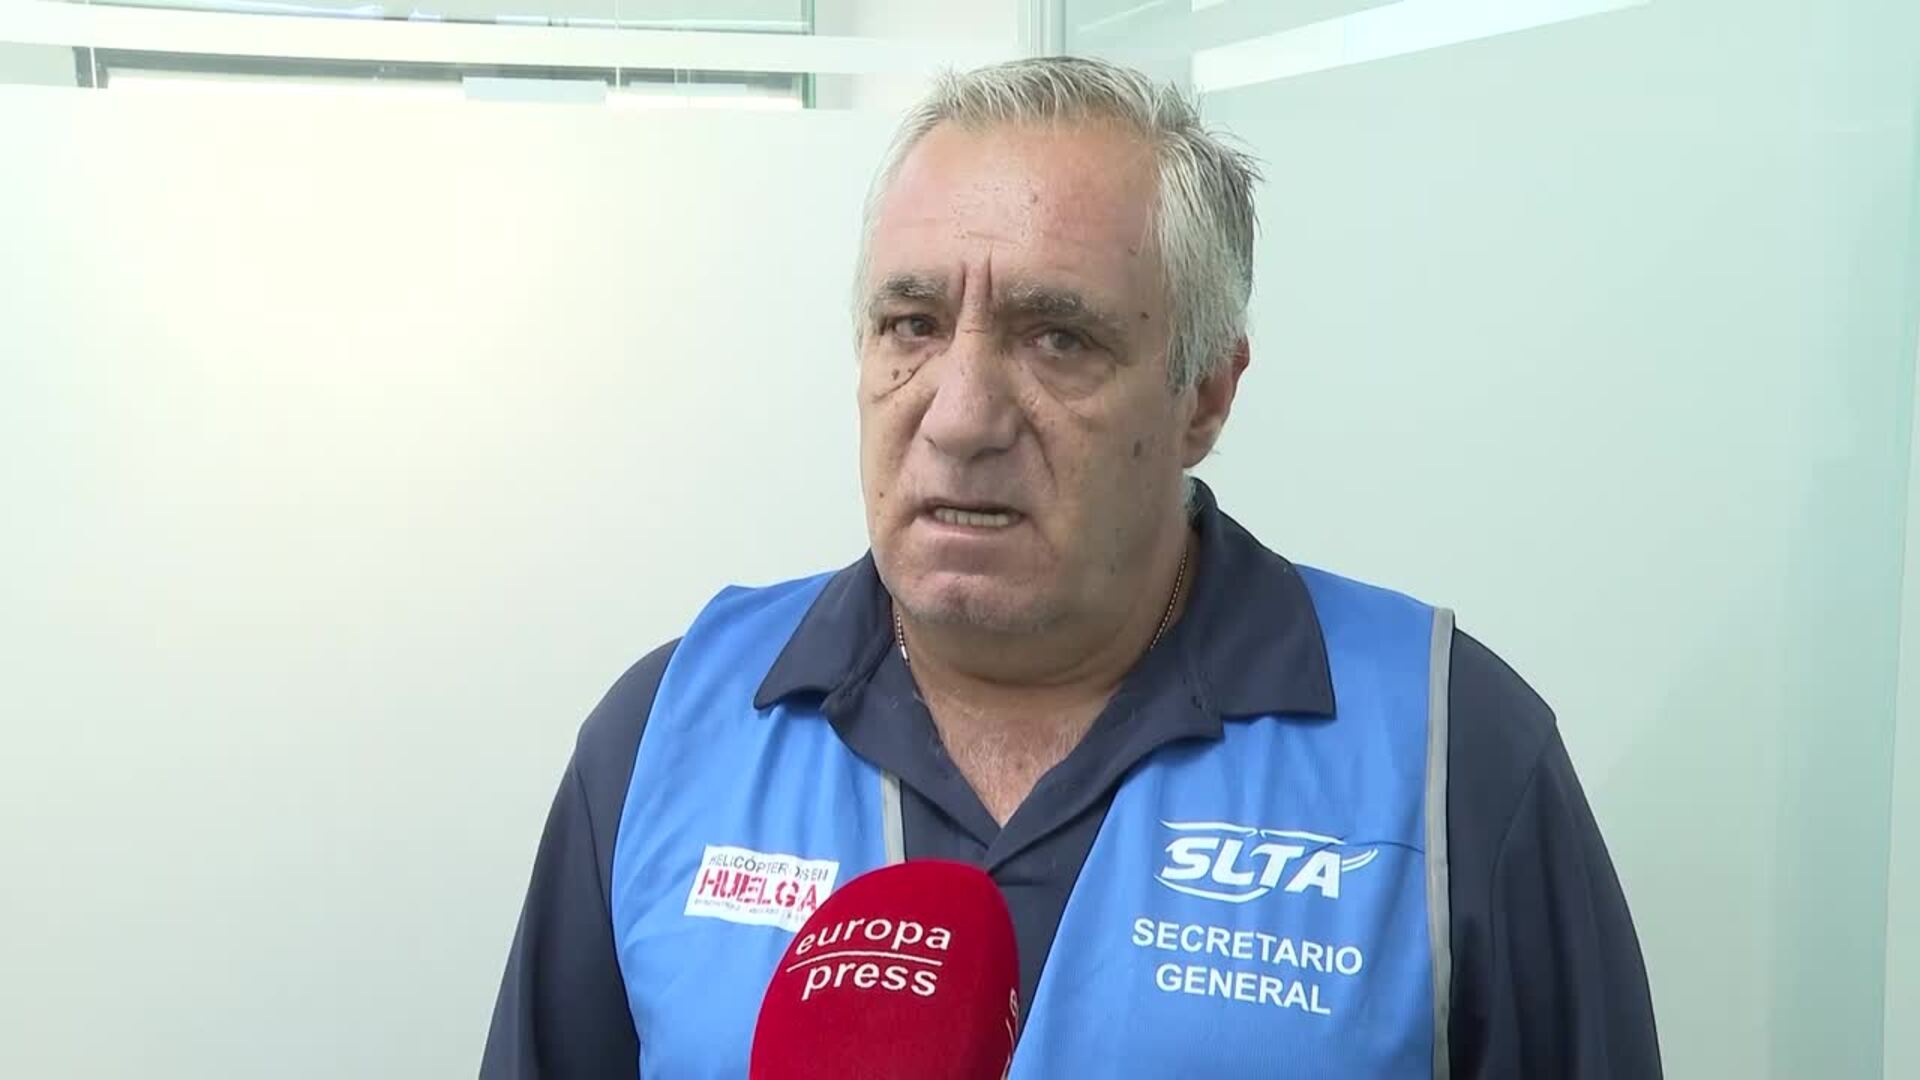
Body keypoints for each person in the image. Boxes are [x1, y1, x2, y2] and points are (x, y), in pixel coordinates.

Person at [480, 56, 1661, 1078]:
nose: (960, 416)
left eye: (1058, 336)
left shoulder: (1451, 753)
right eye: (912, 324)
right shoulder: (665, 737)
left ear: (1205, 395)